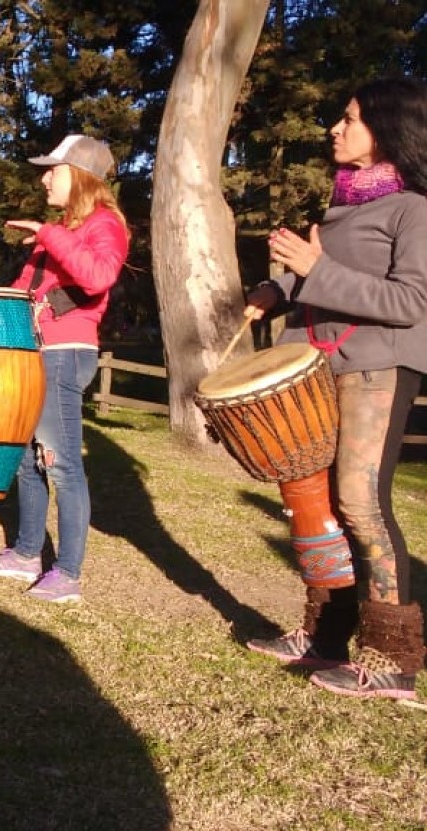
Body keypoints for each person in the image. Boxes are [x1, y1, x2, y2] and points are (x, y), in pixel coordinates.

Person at [241, 78, 427, 700]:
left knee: (361, 502)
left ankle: (393, 660)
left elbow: (409, 301)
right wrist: (284, 291)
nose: (334, 129)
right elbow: (338, 282)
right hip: (323, 366)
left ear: (389, 128)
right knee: (320, 503)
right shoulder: (344, 207)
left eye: (350, 119)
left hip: (378, 365)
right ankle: (324, 637)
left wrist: (314, 270)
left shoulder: (415, 209)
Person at [0, 134, 129, 603]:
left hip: (66, 355)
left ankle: (68, 574)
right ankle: (25, 555)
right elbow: (26, 289)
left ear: (79, 178)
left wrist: (49, 234)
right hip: (35, 355)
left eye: (52, 170)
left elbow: (99, 277)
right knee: (26, 462)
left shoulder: (105, 225)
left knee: (61, 467)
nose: (44, 177)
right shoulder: (59, 230)